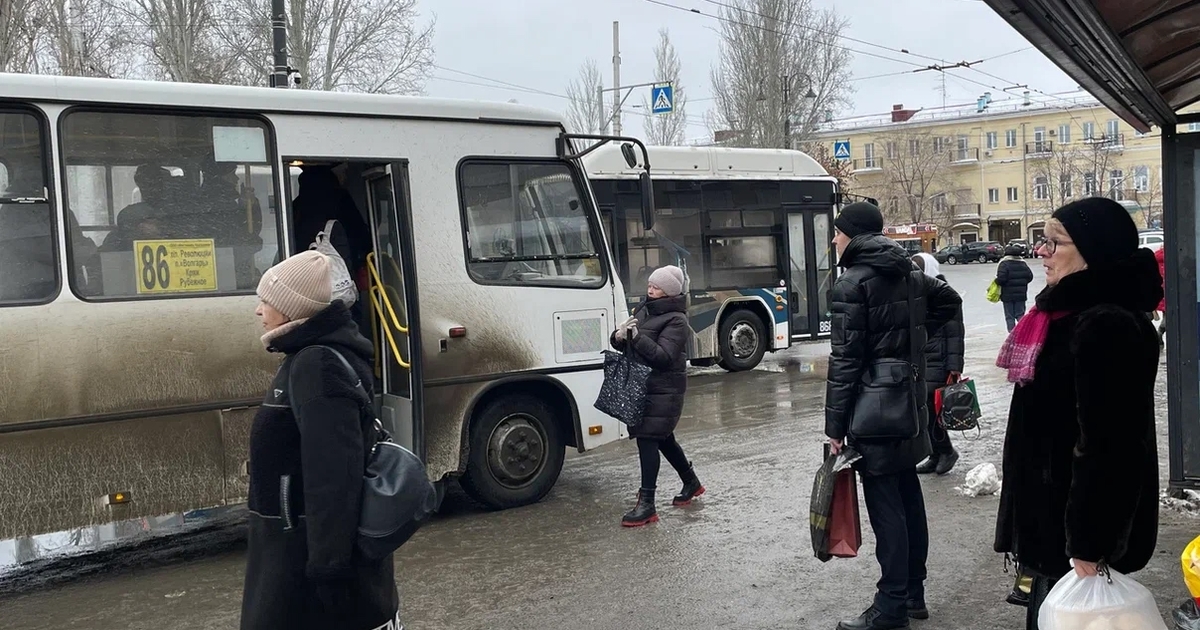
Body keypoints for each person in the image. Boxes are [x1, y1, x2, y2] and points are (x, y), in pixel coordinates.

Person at [993, 197, 1161, 630]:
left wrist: (1090, 543)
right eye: (1042, 242)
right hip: (1055, 533)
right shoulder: (1062, 314)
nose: (1041, 252)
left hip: (1076, 544)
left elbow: (1112, 446)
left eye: (1054, 242)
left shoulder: (1106, 325)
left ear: (1094, 248)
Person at [240, 250, 401, 630]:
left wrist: (328, 569)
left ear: (295, 308)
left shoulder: (317, 365)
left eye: (268, 301)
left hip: (301, 558)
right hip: (294, 547)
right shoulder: (314, 356)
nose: (258, 310)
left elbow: (333, 476)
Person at [825, 202, 962, 630]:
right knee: (907, 498)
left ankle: (891, 606)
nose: (833, 239)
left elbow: (845, 361)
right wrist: (910, 346)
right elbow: (950, 299)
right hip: (910, 400)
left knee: (887, 508)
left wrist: (834, 428)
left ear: (852, 235)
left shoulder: (852, 283)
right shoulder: (909, 272)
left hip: (874, 411)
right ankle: (913, 594)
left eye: (837, 231)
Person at [610, 264, 703, 527]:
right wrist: (618, 336)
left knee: (648, 439)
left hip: (664, 389)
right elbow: (629, 344)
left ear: (669, 292)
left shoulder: (677, 320)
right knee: (663, 438)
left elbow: (663, 357)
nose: (650, 290)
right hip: (643, 385)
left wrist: (637, 338)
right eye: (649, 285)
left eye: (656, 287)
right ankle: (691, 482)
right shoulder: (644, 309)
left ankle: (647, 504)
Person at [910, 253, 964, 476]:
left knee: (933, 411)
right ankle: (935, 454)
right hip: (923, 361)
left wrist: (955, 366)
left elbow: (955, 334)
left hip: (939, 362)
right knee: (924, 411)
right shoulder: (918, 292)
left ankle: (947, 451)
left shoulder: (943, 293)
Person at [996, 244, 1035, 332]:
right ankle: (1023, 332)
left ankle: (1012, 335)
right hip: (1021, 295)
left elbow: (1001, 279)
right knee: (1020, 314)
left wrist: (996, 281)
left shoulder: (1004, 264)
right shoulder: (1023, 263)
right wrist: (1022, 283)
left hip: (1007, 295)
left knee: (1009, 316)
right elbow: (1030, 277)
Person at [1155, 245, 1166, 351]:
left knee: (1165, 316)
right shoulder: (1169, 258)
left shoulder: (1156, 258)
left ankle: (1159, 336)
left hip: (1160, 290)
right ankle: (1159, 334)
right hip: (1168, 290)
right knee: (1168, 318)